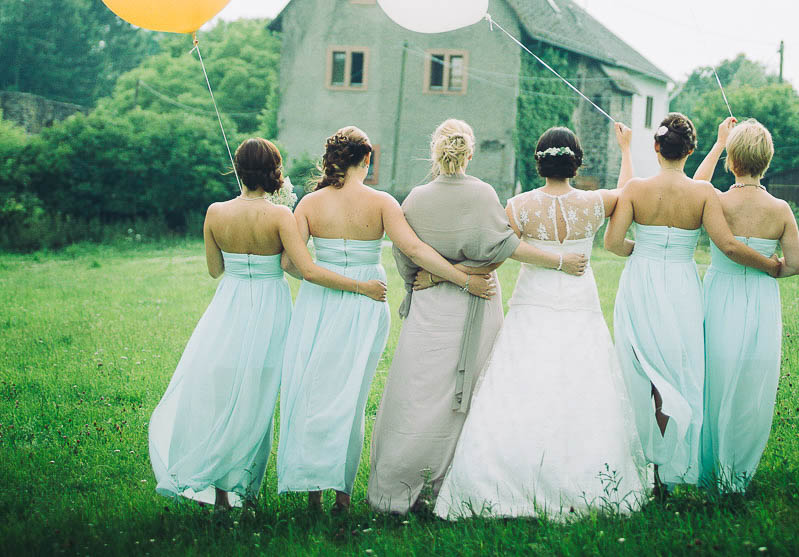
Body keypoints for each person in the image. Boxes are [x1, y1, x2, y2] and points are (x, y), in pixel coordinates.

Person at [366, 118, 588, 515]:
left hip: (431, 305)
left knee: (416, 393)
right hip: (477, 301)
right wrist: (557, 260)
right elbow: (504, 248)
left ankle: (400, 487)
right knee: (473, 395)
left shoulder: (415, 198)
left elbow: (408, 258)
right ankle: (458, 484)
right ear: (469, 154)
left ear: (437, 153)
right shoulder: (484, 194)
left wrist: (434, 274)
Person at [434, 124, 650, 520]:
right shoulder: (595, 202)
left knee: (521, 386)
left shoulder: (518, 206)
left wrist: (460, 270)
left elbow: (502, 253)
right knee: (583, 389)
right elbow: (629, 192)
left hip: (532, 307)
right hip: (579, 308)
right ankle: (589, 479)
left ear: (538, 162)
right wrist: (625, 150)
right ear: (576, 161)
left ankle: (504, 480)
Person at [149, 137, 374, 510]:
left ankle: (224, 494)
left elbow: (214, 270)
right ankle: (247, 489)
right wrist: (358, 286)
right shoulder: (281, 216)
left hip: (229, 306)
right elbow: (304, 268)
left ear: (237, 170)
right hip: (271, 305)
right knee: (261, 397)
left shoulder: (214, 212)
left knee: (225, 394)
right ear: (275, 172)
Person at [277, 126, 495, 511]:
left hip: (318, 302)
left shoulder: (308, 205)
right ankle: (343, 498)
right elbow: (413, 248)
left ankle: (313, 496)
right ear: (367, 159)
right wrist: (463, 279)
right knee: (351, 397)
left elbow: (291, 264)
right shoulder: (382, 203)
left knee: (312, 391)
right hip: (365, 301)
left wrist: (331, 274)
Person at [605, 113, 782, 494]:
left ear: (655, 147)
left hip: (641, 281)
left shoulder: (635, 189)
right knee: (679, 369)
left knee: (643, 369)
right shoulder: (701, 194)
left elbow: (613, 244)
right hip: (683, 286)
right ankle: (674, 462)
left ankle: (652, 464)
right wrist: (720, 144)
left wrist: (645, 248)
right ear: (690, 149)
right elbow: (725, 240)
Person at [697, 117, 799, 492]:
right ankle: (739, 472)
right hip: (760, 297)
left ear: (731, 160)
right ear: (768, 161)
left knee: (714, 378)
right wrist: (772, 265)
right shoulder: (781, 209)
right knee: (751, 382)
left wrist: (718, 143)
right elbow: (794, 266)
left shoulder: (716, 201)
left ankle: (710, 467)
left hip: (719, 293)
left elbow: (695, 186)